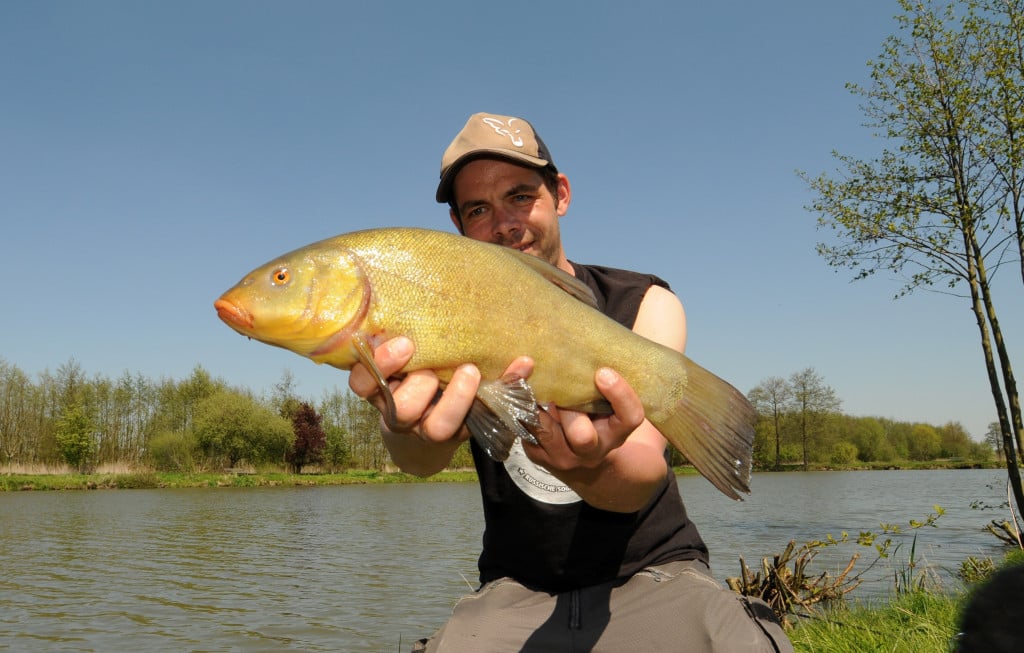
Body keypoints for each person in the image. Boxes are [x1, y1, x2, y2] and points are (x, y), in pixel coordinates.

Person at [349, 112, 792, 652]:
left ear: (560, 193)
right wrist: (406, 429)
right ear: (458, 226)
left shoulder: (643, 302)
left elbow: (644, 471)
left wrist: (594, 465)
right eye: (478, 209)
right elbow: (420, 462)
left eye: (520, 197)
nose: (504, 224)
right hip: (516, 589)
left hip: (653, 572)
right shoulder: (438, 317)